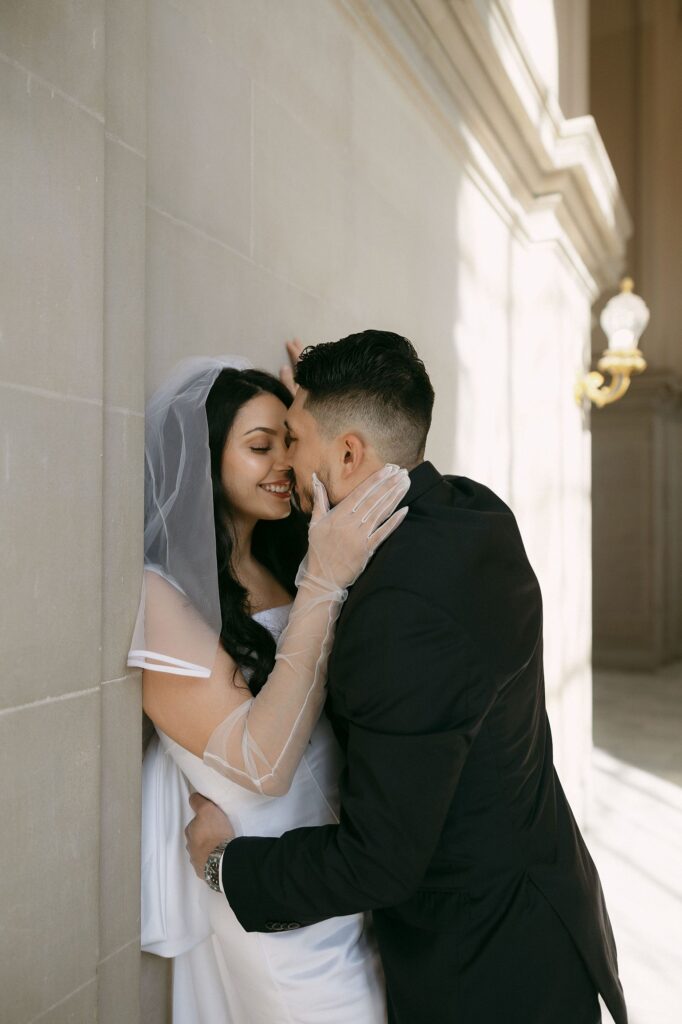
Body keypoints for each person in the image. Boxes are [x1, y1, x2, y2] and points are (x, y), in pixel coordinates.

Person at [186, 330, 628, 1024]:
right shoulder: (473, 511)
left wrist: (224, 865)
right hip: (547, 907)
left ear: (351, 451)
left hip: (486, 971)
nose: (286, 459)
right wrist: (316, 408)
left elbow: (379, 862)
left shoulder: (399, 616)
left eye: (292, 438)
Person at [128, 354, 410, 1022]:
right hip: (261, 887)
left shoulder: (282, 559)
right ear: (202, 457)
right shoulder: (160, 595)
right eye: (261, 446)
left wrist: (332, 404)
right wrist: (322, 586)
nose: (284, 462)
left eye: (291, 440)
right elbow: (264, 763)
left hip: (338, 866)